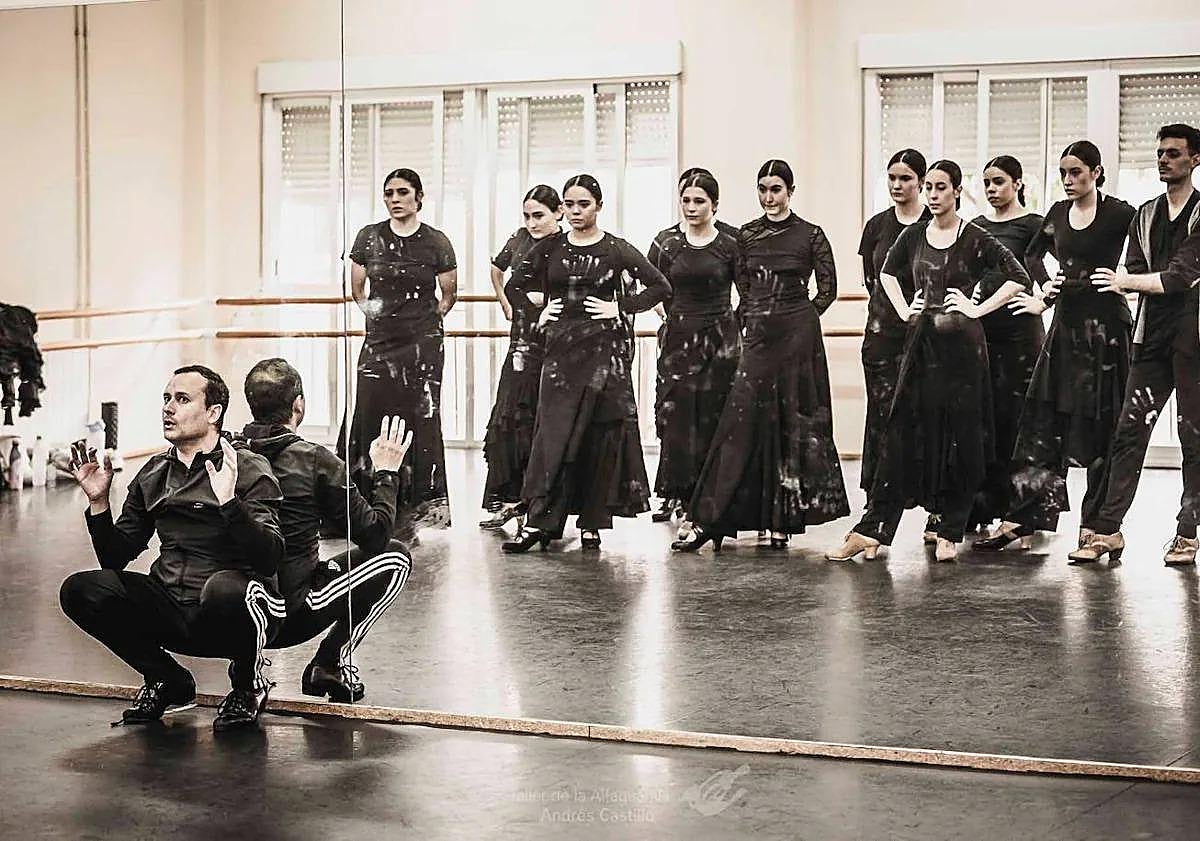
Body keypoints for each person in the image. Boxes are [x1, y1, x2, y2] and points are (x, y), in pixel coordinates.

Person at [58, 365, 286, 731]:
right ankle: (167, 679)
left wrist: (229, 503)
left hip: (238, 612)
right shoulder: (154, 473)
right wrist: (99, 503)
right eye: (166, 398)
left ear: (214, 413)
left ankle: (247, 685)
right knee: (81, 589)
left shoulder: (247, 467)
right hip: (174, 605)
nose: (168, 408)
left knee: (224, 589)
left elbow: (270, 556)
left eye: (182, 399)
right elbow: (115, 558)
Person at [828, 160, 1029, 562]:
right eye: (931, 188)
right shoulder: (913, 235)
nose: (934, 195)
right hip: (921, 349)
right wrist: (904, 309)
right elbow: (886, 274)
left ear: (956, 191)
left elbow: (1018, 276)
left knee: (961, 440)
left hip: (963, 353)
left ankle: (949, 530)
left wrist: (977, 309)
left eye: (941, 188)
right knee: (900, 436)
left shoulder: (975, 236)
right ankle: (872, 530)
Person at [972, 141, 1136, 557]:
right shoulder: (1058, 214)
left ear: (1096, 173)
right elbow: (1030, 255)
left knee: (1102, 429)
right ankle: (1024, 517)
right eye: (1063, 172)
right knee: (1042, 424)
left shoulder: (1120, 213)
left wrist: (1125, 278)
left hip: (1107, 332)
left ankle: (1097, 527)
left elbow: (1146, 252)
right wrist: (1046, 290)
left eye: (1076, 172)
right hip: (1065, 327)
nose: (1068, 180)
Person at [677, 159, 848, 552]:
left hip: (799, 338)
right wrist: (756, 319)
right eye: (763, 189)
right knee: (742, 423)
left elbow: (828, 290)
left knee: (791, 423)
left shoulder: (811, 235)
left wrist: (798, 319)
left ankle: (781, 524)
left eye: (776, 189)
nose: (769, 197)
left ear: (791, 191)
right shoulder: (747, 236)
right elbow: (743, 284)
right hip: (758, 337)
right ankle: (715, 518)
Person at [502, 173, 671, 552]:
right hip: (560, 355)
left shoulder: (616, 249)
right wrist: (539, 312)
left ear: (598, 206)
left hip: (602, 355)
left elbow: (661, 286)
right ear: (562, 208)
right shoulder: (550, 248)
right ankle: (539, 523)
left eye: (584, 204)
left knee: (597, 437)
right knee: (552, 436)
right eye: (570, 205)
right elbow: (514, 284)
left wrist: (620, 307)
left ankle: (593, 523)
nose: (576, 211)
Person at [239, 358, 413, 702]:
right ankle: (331, 662)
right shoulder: (315, 460)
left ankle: (246, 665)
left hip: (238, 613)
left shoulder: (230, 453)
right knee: (397, 557)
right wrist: (386, 473)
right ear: (298, 404)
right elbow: (375, 536)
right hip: (290, 614)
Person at [1070, 124, 1200, 564]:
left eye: (1174, 153)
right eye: (1160, 152)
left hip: (1193, 341)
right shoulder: (1145, 214)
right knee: (1129, 431)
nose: (1164, 159)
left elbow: (1180, 276)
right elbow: (1140, 270)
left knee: (1192, 437)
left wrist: (1129, 282)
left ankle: (1187, 533)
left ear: (1194, 160)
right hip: (1151, 340)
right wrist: (1133, 281)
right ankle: (1108, 529)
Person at [338, 167, 457, 544]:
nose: (394, 199)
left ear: (418, 197)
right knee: (370, 414)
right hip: (379, 343)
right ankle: (365, 509)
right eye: (388, 192)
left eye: (402, 192)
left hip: (422, 346)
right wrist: (380, 317)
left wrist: (421, 323)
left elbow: (448, 294)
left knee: (418, 421)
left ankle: (413, 512)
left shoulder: (436, 241)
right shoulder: (368, 237)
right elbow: (358, 289)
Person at [646, 172, 740, 540]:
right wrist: (670, 316)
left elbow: (747, 290)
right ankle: (678, 495)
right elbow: (650, 286)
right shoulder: (666, 242)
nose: (692, 207)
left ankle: (711, 502)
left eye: (699, 201)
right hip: (678, 341)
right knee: (676, 418)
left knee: (714, 419)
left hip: (720, 342)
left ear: (714, 204)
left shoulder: (731, 242)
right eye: (686, 200)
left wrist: (735, 327)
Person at [965, 156, 1046, 530]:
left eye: (998, 181)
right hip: (984, 335)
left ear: (1017, 183)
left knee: (1020, 423)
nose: (992, 189)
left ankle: (1022, 514)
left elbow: (1063, 268)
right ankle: (982, 507)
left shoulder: (1034, 225)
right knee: (986, 421)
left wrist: (1042, 301)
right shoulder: (977, 227)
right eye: (986, 183)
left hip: (1022, 338)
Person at [479, 186, 563, 531]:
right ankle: (511, 500)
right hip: (521, 342)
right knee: (510, 418)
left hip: (554, 345)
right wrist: (504, 301)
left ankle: (539, 505)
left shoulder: (566, 245)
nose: (532, 223)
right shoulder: (518, 239)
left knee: (542, 423)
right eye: (527, 216)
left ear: (558, 212)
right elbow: (497, 268)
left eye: (539, 215)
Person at [858, 149, 932, 501]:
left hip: (926, 333)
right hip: (882, 332)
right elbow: (870, 279)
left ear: (921, 181)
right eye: (892, 178)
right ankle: (878, 495)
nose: (897, 185)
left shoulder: (935, 223)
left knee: (927, 412)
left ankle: (933, 500)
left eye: (905, 178)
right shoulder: (876, 225)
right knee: (881, 411)